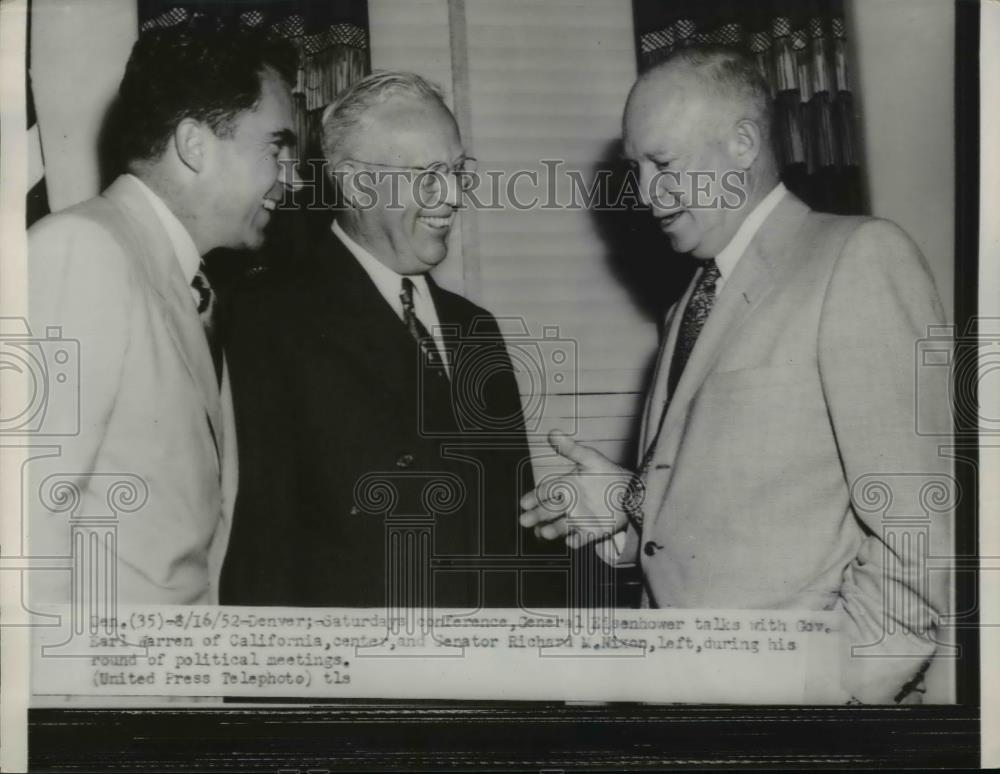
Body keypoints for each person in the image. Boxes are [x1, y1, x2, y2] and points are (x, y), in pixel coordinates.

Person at [519, 46, 952, 703]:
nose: (644, 193)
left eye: (663, 164)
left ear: (743, 143)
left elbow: (917, 539)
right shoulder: (688, 304)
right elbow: (750, 507)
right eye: (636, 169)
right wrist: (629, 507)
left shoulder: (858, 259)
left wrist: (841, 701)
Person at [221, 71, 564, 609]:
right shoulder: (268, 321)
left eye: (456, 172)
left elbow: (517, 536)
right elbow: (263, 548)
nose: (451, 197)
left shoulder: (478, 330)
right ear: (356, 183)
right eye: (428, 176)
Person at [28, 27, 299, 604]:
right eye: (273, 150)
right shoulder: (83, 250)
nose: (288, 178)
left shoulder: (192, 286)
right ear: (194, 146)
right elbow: (26, 527)